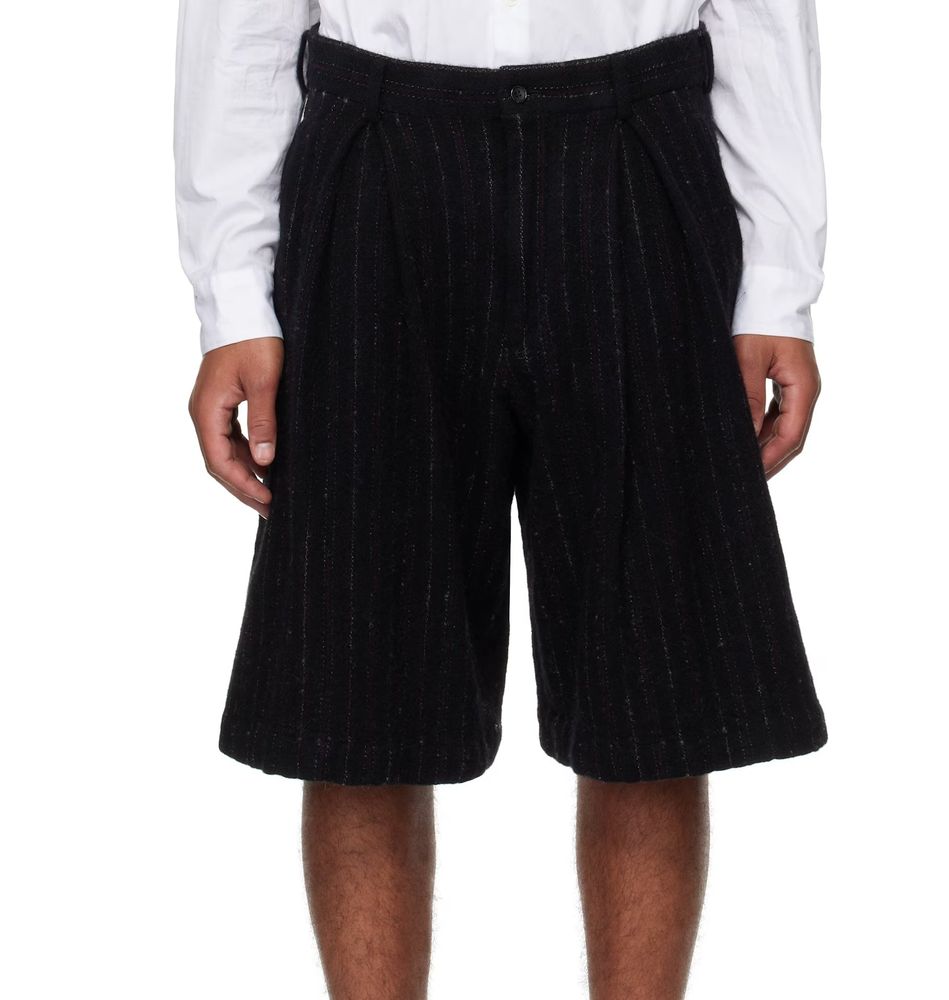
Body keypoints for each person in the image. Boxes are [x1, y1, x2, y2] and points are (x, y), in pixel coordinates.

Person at [173, 1, 829, 996]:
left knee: (648, 700)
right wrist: (231, 294)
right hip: (378, 160)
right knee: (362, 701)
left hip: (637, 146)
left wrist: (778, 279)